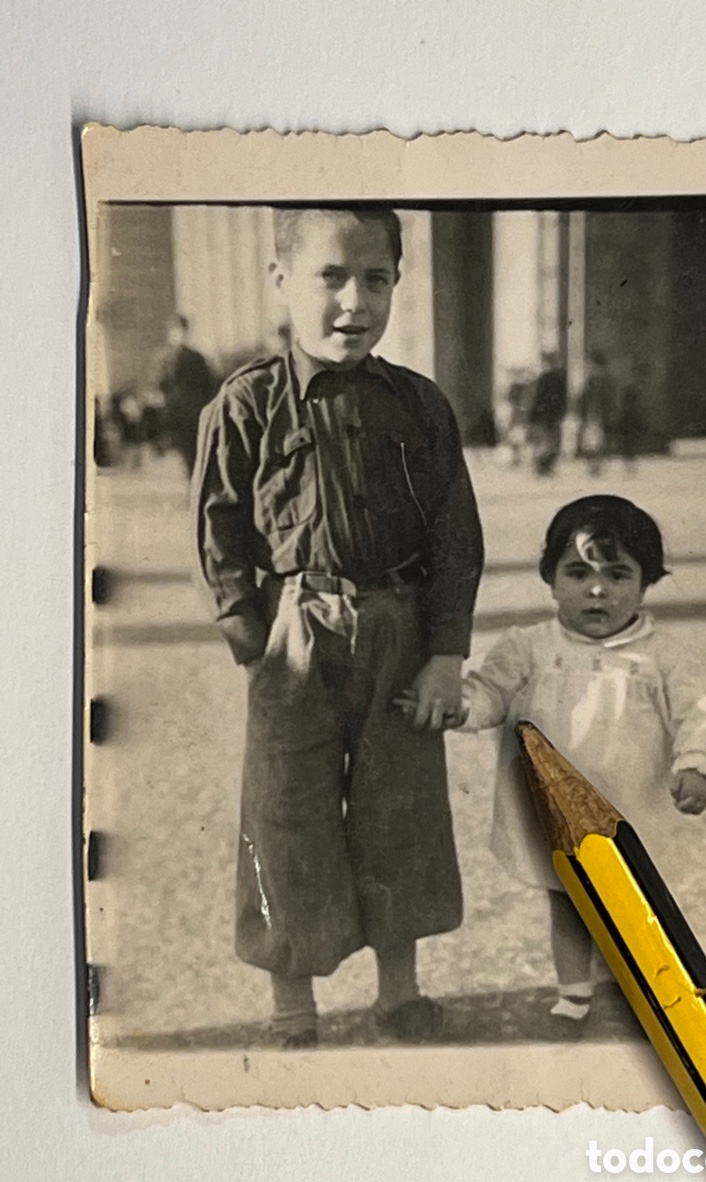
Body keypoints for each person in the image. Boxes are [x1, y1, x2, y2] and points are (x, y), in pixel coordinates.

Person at [191, 208, 484, 1047]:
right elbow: (215, 536)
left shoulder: (420, 406)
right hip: (295, 630)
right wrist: (256, 644)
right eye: (331, 277)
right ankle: (293, 1006)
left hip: (398, 630)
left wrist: (446, 654)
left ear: (397, 281)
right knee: (286, 814)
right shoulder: (245, 404)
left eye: (376, 279)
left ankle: (399, 995)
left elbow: (454, 538)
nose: (354, 301)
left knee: (401, 809)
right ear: (282, 279)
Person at [450, 496, 706, 1026]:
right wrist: (458, 705)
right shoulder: (527, 647)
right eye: (577, 573)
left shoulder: (662, 654)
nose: (597, 590)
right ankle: (574, 993)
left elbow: (701, 711)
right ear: (550, 579)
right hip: (554, 808)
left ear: (646, 585)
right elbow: (490, 692)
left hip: (631, 806)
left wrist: (696, 763)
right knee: (569, 903)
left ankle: (649, 989)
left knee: (637, 906)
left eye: (618, 575)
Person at [153, 314, 218, 477]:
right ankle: (193, 480)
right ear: (170, 333)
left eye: (182, 331)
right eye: (176, 331)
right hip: (175, 411)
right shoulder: (164, 358)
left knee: (194, 450)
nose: (179, 335)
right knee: (185, 450)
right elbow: (159, 384)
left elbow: (208, 385)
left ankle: (196, 482)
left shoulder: (196, 357)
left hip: (194, 410)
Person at [575, 350, 615, 476]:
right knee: (592, 443)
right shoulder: (595, 380)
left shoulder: (599, 380)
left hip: (597, 416)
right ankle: (595, 467)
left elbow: (608, 399)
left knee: (595, 443)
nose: (588, 366)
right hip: (593, 416)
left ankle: (595, 467)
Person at [528, 351, 568, 475]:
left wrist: (532, 414)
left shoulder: (544, 378)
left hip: (542, 413)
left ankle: (542, 467)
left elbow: (537, 398)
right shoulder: (561, 377)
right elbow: (563, 397)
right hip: (554, 413)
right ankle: (547, 467)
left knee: (544, 442)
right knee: (553, 441)